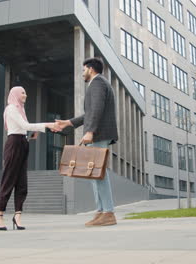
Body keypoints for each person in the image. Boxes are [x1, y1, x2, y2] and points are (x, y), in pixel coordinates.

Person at [57, 57, 118, 226]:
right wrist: (69, 123)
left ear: (91, 69)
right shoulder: (99, 84)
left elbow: (97, 108)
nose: (82, 73)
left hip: (99, 133)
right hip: (99, 132)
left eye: (83, 70)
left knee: (99, 173)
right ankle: (101, 211)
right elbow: (89, 113)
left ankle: (108, 212)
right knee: (94, 174)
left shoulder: (97, 83)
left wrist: (90, 131)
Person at [0, 86, 60, 231]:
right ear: (16, 94)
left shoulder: (20, 109)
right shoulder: (11, 108)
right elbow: (24, 125)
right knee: (8, 180)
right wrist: (47, 125)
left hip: (23, 143)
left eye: (25, 92)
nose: (25, 95)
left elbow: (23, 128)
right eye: (23, 92)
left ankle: (17, 215)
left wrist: (32, 133)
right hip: (14, 144)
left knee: (22, 182)